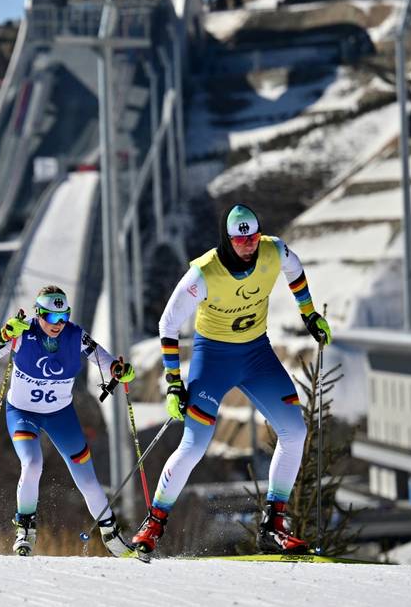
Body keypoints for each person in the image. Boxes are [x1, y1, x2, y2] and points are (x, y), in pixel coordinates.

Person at [130, 204, 332, 557]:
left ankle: (273, 525)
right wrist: (174, 383)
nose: (248, 245)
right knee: (194, 444)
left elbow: (296, 271)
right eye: (240, 240)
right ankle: (154, 524)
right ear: (227, 239)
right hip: (214, 360)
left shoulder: (273, 250)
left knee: (294, 431)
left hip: (256, 355)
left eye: (253, 237)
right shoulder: (204, 273)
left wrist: (309, 314)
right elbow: (168, 324)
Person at [0, 285, 137, 557]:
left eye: (63, 317)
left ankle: (112, 535)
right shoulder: (21, 332)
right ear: (38, 314)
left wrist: (119, 370)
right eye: (51, 317)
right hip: (23, 413)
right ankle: (25, 530)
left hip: (60, 415)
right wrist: (3, 335)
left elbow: (105, 360)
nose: (57, 324)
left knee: (87, 479)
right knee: (32, 463)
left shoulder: (75, 335)